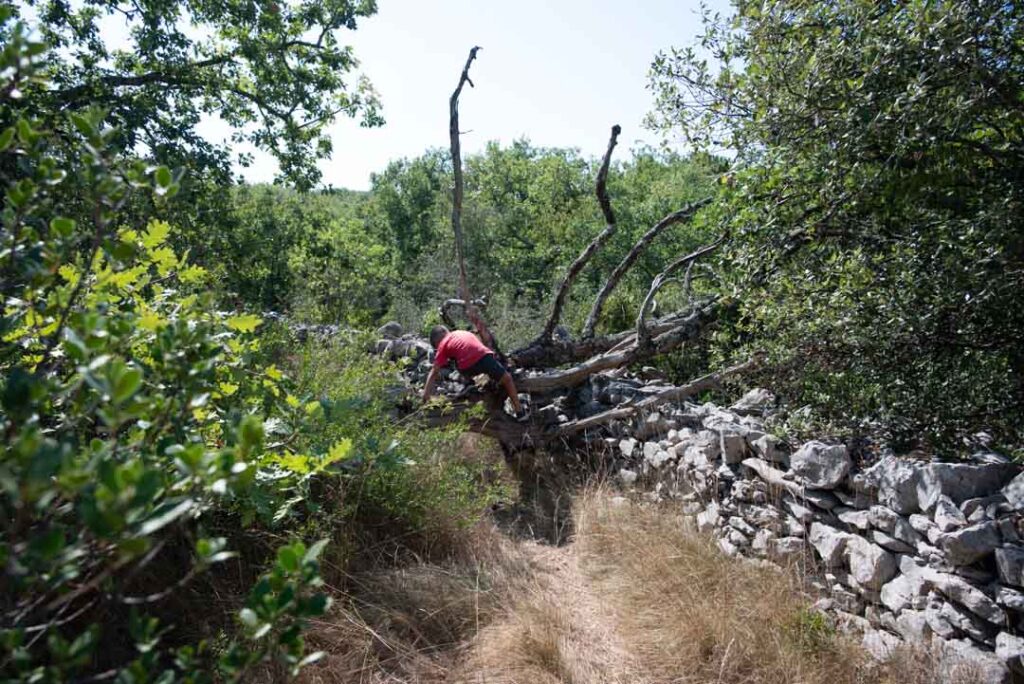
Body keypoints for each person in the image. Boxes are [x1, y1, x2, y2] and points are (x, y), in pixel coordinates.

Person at [422, 323, 524, 417]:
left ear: (437, 341)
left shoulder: (443, 344)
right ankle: (519, 411)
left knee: (455, 360)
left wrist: (425, 396)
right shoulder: (462, 332)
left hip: (466, 366)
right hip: (484, 356)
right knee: (507, 379)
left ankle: (469, 383)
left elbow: (434, 371)